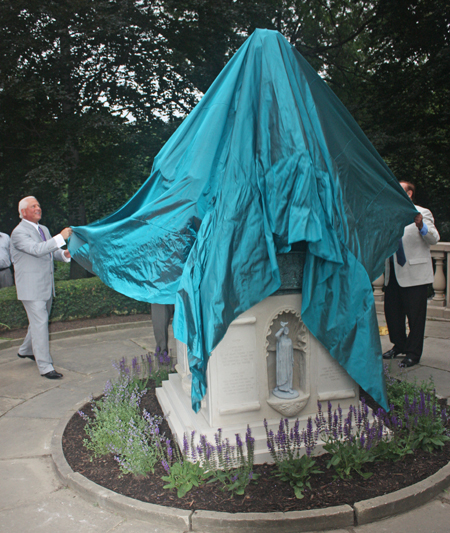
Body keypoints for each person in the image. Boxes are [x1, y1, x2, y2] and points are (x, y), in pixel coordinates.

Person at [10, 196, 72, 379]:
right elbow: (37, 250)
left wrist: (65, 253)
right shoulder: (18, 233)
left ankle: (25, 350)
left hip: (46, 286)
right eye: (33, 206)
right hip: (31, 289)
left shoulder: (43, 229)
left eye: (38, 204)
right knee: (40, 323)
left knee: (38, 323)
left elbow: (50, 251)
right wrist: (61, 237)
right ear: (23, 212)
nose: (38, 208)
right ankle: (45, 366)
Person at [383, 181, 440, 368]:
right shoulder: (389, 212)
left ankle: (413, 354)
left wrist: (421, 226)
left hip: (415, 274)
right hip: (393, 274)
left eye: (400, 188)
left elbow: (434, 238)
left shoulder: (422, 213)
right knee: (392, 314)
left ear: (409, 193)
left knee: (415, 318)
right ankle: (399, 345)